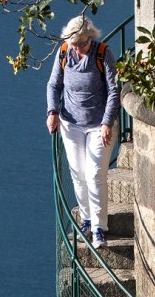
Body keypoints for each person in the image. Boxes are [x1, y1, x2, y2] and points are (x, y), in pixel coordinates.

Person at [46, 14, 120, 250]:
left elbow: (114, 91)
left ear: (91, 38)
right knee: (78, 173)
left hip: (99, 125)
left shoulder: (102, 53)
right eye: (74, 43)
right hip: (71, 124)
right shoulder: (63, 53)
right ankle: (86, 220)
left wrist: (108, 122)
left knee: (95, 173)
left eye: (82, 43)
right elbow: (53, 85)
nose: (78, 48)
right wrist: (52, 111)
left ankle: (100, 227)